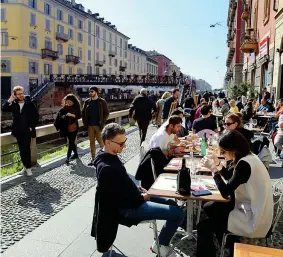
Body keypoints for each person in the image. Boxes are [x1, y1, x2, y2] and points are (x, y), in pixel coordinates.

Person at [91, 123, 185, 257]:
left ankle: (161, 242)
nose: (124, 146)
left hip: (135, 197)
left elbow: (120, 182)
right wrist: (141, 198)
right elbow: (115, 200)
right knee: (178, 214)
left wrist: (136, 188)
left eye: (125, 141)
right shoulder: (106, 168)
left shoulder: (106, 154)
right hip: (130, 208)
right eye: (121, 143)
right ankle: (161, 245)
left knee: (173, 204)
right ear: (107, 142)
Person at [197, 130, 273, 257]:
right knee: (210, 207)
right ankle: (229, 243)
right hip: (253, 207)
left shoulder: (244, 164)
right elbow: (231, 177)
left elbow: (226, 192)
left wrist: (214, 170)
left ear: (234, 150)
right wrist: (218, 164)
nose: (221, 154)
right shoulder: (249, 157)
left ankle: (223, 245)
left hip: (254, 218)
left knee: (203, 226)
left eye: (223, 151)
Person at [1, 86, 39, 176]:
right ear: (15, 95)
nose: (21, 95)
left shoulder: (30, 103)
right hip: (18, 131)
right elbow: (4, 109)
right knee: (22, 150)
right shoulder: (13, 103)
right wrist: (10, 99)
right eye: (18, 94)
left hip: (27, 130)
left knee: (26, 149)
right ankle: (25, 167)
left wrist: (31, 127)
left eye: (22, 93)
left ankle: (28, 168)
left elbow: (36, 116)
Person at [82, 86, 109, 166]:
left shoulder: (102, 101)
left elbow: (107, 113)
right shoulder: (87, 102)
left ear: (96, 92)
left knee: (101, 142)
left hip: (98, 126)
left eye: (92, 91)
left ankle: (105, 158)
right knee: (91, 143)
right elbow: (83, 113)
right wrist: (85, 123)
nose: (90, 93)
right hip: (90, 126)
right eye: (89, 91)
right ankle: (93, 159)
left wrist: (102, 122)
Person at [54, 94, 82, 165]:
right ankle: (76, 154)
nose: (68, 103)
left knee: (71, 142)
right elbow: (59, 116)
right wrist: (65, 115)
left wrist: (72, 115)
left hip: (74, 127)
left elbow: (79, 116)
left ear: (73, 101)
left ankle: (67, 158)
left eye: (70, 102)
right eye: (67, 102)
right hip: (66, 127)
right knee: (71, 142)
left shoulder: (76, 107)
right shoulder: (64, 108)